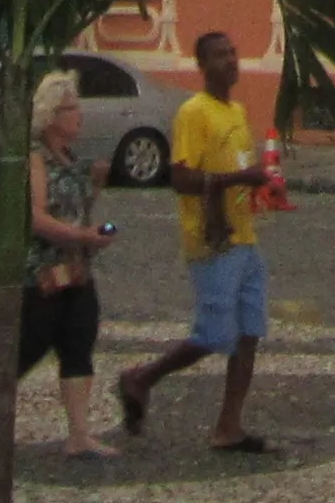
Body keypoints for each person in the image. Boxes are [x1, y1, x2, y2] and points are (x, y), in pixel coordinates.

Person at [114, 29, 276, 452]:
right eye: (220, 55)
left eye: (234, 52)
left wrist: (255, 184)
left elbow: (235, 166)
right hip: (212, 242)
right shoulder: (193, 113)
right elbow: (181, 177)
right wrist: (242, 178)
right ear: (202, 66)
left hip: (244, 236)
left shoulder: (237, 111)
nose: (231, 61)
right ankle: (141, 378)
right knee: (212, 335)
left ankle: (229, 426)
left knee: (249, 333)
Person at [0, 70, 119, 458]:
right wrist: (83, 236)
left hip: (75, 269)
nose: (80, 116)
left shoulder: (69, 157)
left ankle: (79, 434)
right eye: (72, 108)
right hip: (41, 273)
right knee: (24, 349)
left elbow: (75, 211)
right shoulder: (35, 158)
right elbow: (37, 219)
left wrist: (94, 187)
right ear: (52, 114)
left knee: (79, 341)